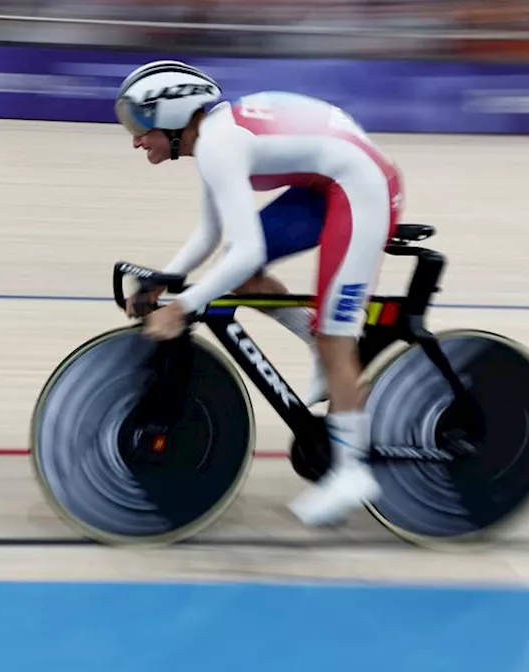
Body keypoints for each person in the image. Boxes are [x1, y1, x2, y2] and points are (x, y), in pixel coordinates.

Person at [114, 59, 405, 527]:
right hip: (326, 184)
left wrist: (184, 306)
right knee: (246, 281)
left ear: (171, 115)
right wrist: (161, 279)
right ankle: (322, 350)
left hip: (361, 188)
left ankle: (352, 472)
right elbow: (212, 235)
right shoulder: (212, 141)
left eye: (139, 122)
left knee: (335, 333)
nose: (134, 138)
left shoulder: (218, 146)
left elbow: (245, 251)